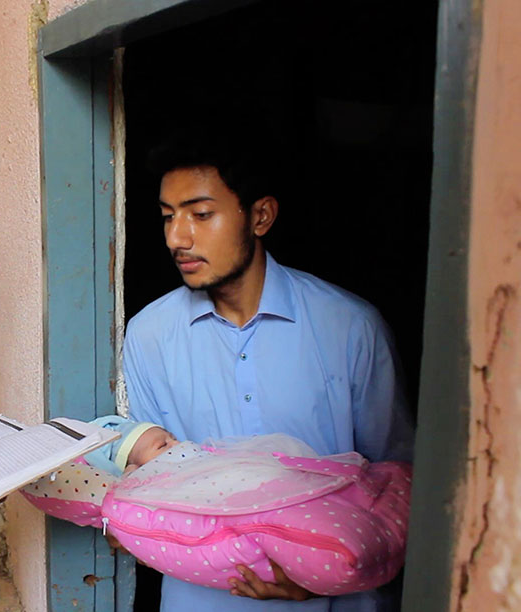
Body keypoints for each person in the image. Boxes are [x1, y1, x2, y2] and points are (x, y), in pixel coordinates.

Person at [122, 126, 415, 612]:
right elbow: (156, 479)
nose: (178, 237)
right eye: (168, 217)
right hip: (204, 599)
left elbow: (399, 481)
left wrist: (321, 576)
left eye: (201, 214)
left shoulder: (349, 326)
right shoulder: (149, 333)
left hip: (337, 600)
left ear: (260, 216)